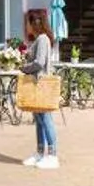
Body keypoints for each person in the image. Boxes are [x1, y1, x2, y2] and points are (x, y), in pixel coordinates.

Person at [20, 10, 59, 169]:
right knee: (39, 120)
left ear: (35, 23)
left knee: (46, 118)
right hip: (36, 84)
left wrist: (24, 68)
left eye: (28, 23)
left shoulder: (42, 39)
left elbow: (39, 63)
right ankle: (40, 152)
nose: (26, 27)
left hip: (41, 83)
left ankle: (52, 154)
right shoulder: (39, 40)